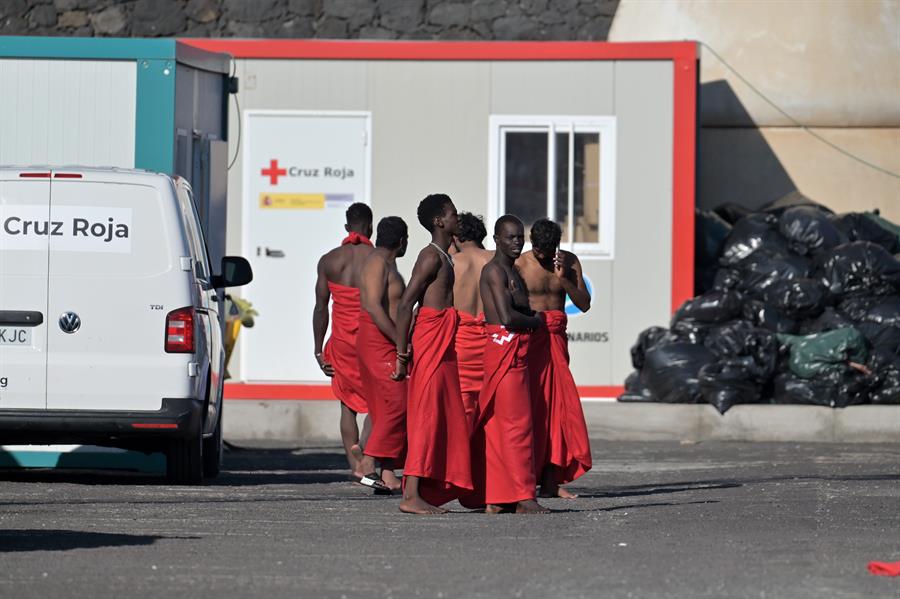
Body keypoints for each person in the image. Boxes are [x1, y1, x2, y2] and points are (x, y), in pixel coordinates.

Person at [461, 215, 548, 514]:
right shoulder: (495, 271)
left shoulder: (512, 271)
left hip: (515, 353)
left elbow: (518, 310)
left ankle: (497, 497)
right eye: (510, 237)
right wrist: (536, 322)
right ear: (496, 239)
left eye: (519, 238)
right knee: (516, 426)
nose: (516, 242)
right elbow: (509, 318)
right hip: (504, 349)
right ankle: (524, 496)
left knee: (500, 427)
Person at [393, 194, 473, 515]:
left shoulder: (446, 255)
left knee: (444, 414)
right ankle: (411, 494)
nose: (457, 218)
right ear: (439, 221)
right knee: (426, 415)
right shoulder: (430, 257)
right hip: (430, 341)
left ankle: (426, 487)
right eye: (453, 214)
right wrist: (401, 353)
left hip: (443, 341)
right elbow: (404, 304)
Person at [516, 218, 592, 499]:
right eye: (538, 250)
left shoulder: (569, 262)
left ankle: (551, 481)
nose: (543, 256)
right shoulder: (521, 264)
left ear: (557, 246)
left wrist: (564, 280)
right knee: (530, 409)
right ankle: (525, 479)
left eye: (548, 251)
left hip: (556, 342)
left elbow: (583, 304)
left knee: (558, 410)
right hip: (530, 339)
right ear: (532, 244)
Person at [313, 203, 375, 480]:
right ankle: (366, 451)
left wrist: (317, 350)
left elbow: (320, 307)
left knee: (346, 404)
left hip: (341, 342)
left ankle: (355, 467)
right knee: (378, 403)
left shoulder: (329, 260)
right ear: (370, 227)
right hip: (371, 338)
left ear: (347, 227)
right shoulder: (378, 259)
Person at [356, 217, 409, 493]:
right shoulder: (377, 262)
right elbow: (374, 308)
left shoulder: (388, 262)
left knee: (382, 406)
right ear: (402, 241)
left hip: (384, 339)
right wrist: (400, 342)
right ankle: (366, 462)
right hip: (378, 340)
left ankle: (388, 473)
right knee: (398, 403)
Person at [451, 212, 493, 431]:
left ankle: (460, 462)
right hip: (493, 345)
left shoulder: (452, 263)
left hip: (462, 347)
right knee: (492, 412)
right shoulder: (499, 259)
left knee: (462, 413)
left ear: (455, 237)